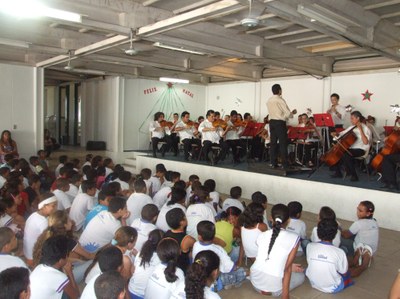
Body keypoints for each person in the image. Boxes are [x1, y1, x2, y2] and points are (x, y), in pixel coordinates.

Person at [250, 204, 305, 298]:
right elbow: (287, 270)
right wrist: (285, 296)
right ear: (288, 220)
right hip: (275, 290)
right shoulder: (294, 239)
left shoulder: (262, 235)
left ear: (271, 218)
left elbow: (268, 256)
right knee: (301, 276)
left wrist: (289, 266)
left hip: (255, 282)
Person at [32, 210, 95, 283]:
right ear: (64, 225)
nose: (71, 222)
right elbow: (89, 255)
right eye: (69, 220)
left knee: (79, 260)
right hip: (59, 279)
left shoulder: (45, 235)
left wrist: (78, 261)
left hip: (44, 273)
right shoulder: (65, 240)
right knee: (93, 263)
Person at [192, 221, 246, 290]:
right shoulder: (219, 249)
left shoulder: (195, 245)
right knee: (241, 271)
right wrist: (236, 267)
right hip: (214, 281)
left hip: (199, 275)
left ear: (199, 237)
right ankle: (225, 283)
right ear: (214, 236)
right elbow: (230, 268)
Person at [306, 219, 352, 293]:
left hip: (313, 283)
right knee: (348, 274)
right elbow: (343, 271)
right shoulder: (340, 252)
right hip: (333, 288)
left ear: (318, 232)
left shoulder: (310, 246)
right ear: (335, 235)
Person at [330, 111, 372, 182]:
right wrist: (336, 134)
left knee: (346, 154)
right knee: (338, 151)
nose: (351, 120)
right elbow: (342, 134)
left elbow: (366, 142)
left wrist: (360, 129)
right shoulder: (351, 127)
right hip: (351, 149)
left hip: (361, 149)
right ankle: (338, 172)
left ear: (358, 118)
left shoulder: (366, 129)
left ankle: (353, 175)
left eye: (352, 118)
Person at [341, 200, 379, 277]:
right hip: (372, 250)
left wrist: (339, 230)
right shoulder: (374, 221)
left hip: (360, 245)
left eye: (360, 211)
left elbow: (346, 235)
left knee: (339, 237)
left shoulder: (358, 223)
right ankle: (365, 257)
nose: (357, 212)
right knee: (355, 233)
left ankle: (357, 257)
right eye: (358, 209)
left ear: (368, 213)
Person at [23, 193, 58, 266]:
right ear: (44, 206)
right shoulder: (42, 222)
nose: (56, 208)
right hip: (33, 258)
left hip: (27, 252)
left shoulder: (34, 214)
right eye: (53, 206)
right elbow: (49, 241)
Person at [266, 84, 296, 169]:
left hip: (271, 122)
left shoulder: (269, 100)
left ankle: (273, 162)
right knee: (283, 143)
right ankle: (285, 164)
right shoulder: (280, 100)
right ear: (279, 90)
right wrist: (292, 114)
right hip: (279, 123)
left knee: (273, 143)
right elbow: (287, 113)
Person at [128, 229, 164, 299]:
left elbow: (132, 271)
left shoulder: (140, 253)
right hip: (144, 295)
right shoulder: (161, 259)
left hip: (131, 290)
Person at [164, 208, 196, 274]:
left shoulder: (166, 234)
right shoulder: (187, 239)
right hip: (182, 270)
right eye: (185, 216)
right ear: (182, 222)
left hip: (167, 267)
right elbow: (197, 246)